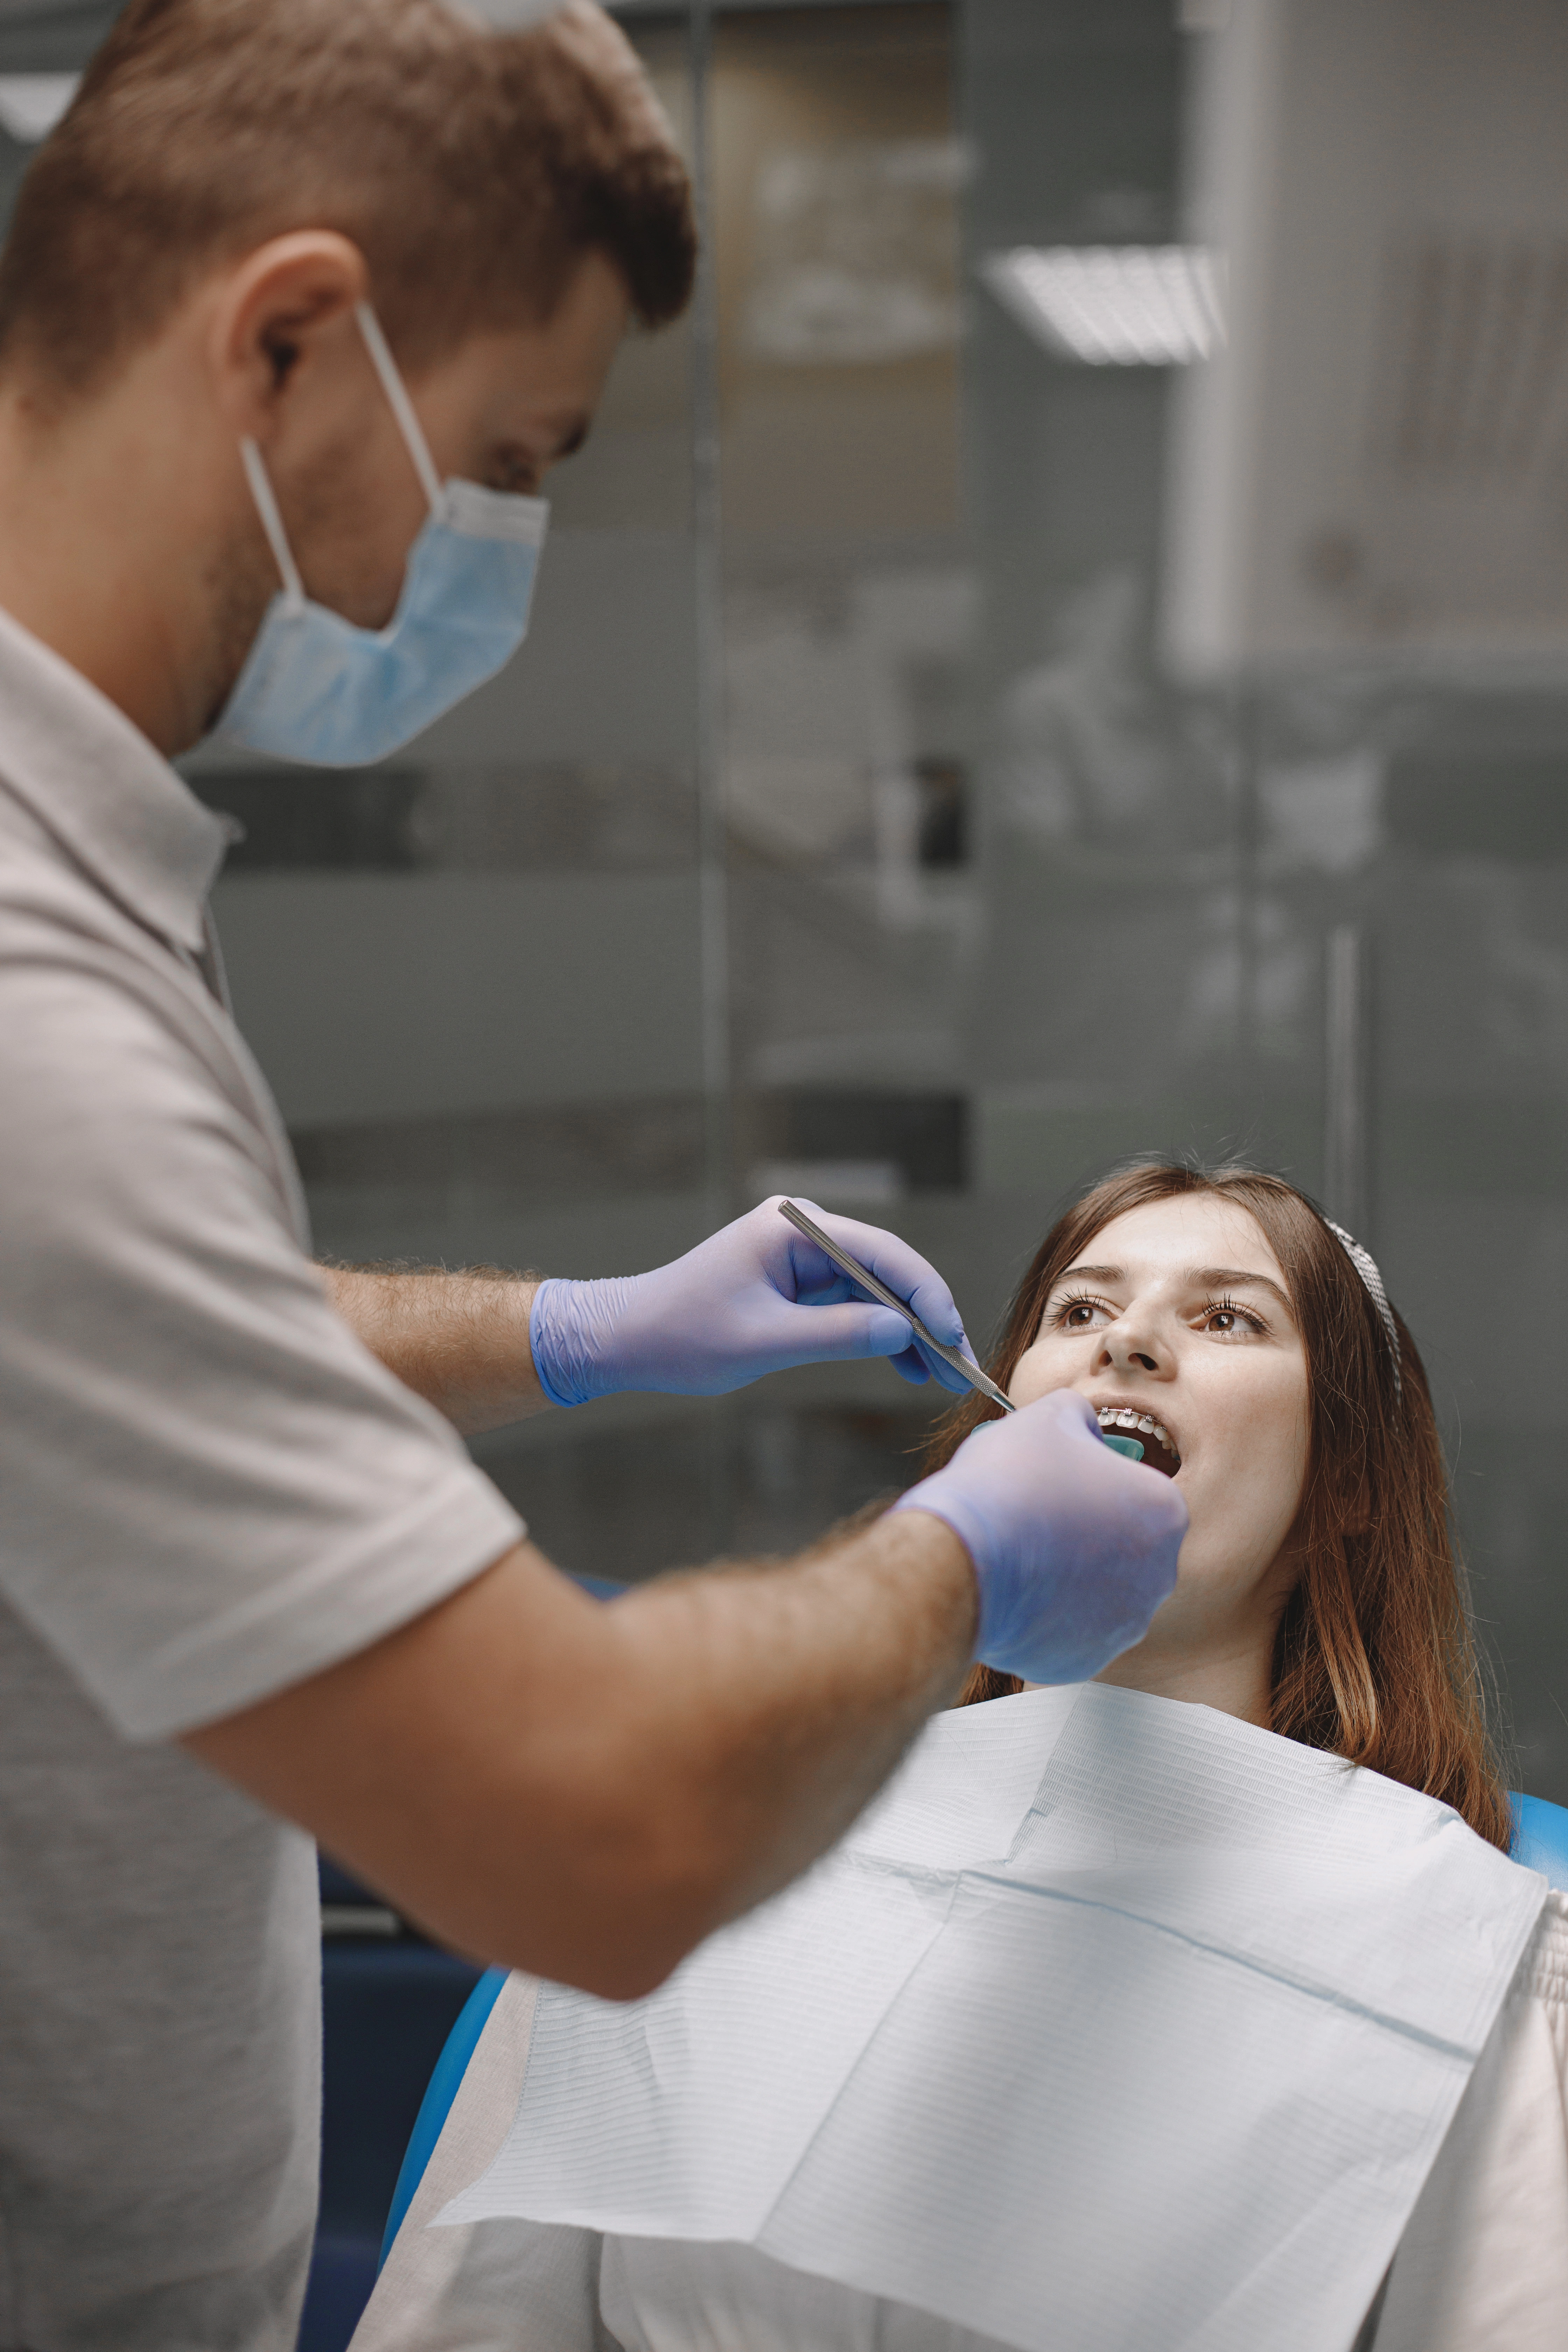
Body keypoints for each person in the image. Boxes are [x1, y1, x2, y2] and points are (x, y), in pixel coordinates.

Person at [0, 4, 1188, 2343]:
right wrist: (957, 1561)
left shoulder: (84, 869)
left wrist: (577, 1333)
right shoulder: (30, 994)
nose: (504, 550)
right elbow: (593, 1833)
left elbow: (111, 1344)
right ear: (291, 338)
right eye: (509, 456)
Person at [356, 1162, 1568, 2352]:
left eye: (1227, 1318)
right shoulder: (699, 1837)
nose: (1129, 1341)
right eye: (1080, 1310)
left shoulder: (1469, 1959)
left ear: (1347, 1485)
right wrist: (572, 1329)